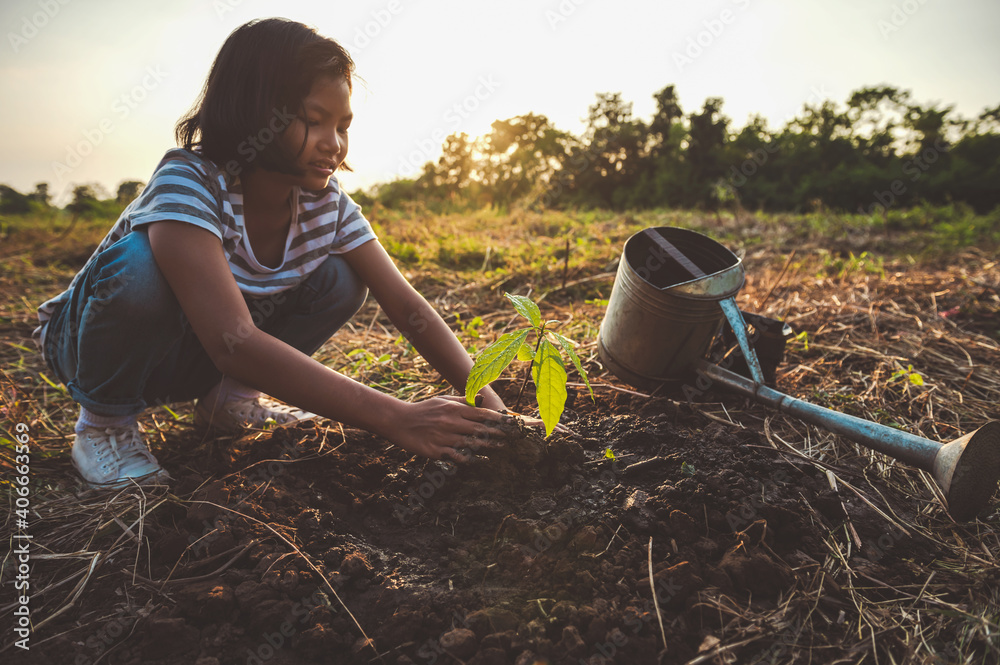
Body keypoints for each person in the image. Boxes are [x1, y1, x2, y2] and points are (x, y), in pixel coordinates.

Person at [33, 17, 513, 489]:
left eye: (343, 125)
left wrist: (496, 411)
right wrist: (398, 417)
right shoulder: (190, 182)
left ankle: (229, 401)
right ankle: (104, 423)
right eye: (314, 121)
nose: (334, 144)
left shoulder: (326, 203)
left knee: (342, 278)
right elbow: (233, 341)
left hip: (186, 357)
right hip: (90, 348)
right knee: (142, 268)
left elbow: (407, 306)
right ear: (257, 113)